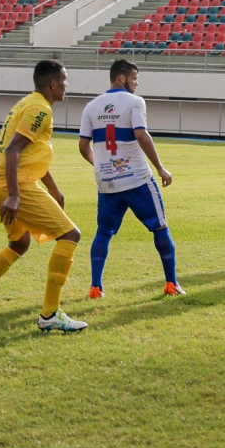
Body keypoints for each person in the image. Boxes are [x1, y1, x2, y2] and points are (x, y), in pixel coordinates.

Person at [0, 60, 87, 332]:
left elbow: (26, 151)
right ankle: (50, 315)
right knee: (70, 235)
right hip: (11, 184)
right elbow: (13, 151)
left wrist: (53, 187)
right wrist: (14, 195)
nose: (67, 87)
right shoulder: (40, 109)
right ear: (53, 84)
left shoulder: (26, 103)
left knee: (19, 244)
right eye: (65, 81)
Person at [78, 59, 183, 299]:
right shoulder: (135, 102)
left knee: (103, 232)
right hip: (137, 179)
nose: (137, 83)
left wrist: (102, 166)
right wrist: (161, 168)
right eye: (134, 78)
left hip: (107, 183)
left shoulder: (91, 106)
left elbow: (83, 146)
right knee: (160, 227)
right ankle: (171, 284)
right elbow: (141, 134)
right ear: (122, 78)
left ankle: (95, 287)